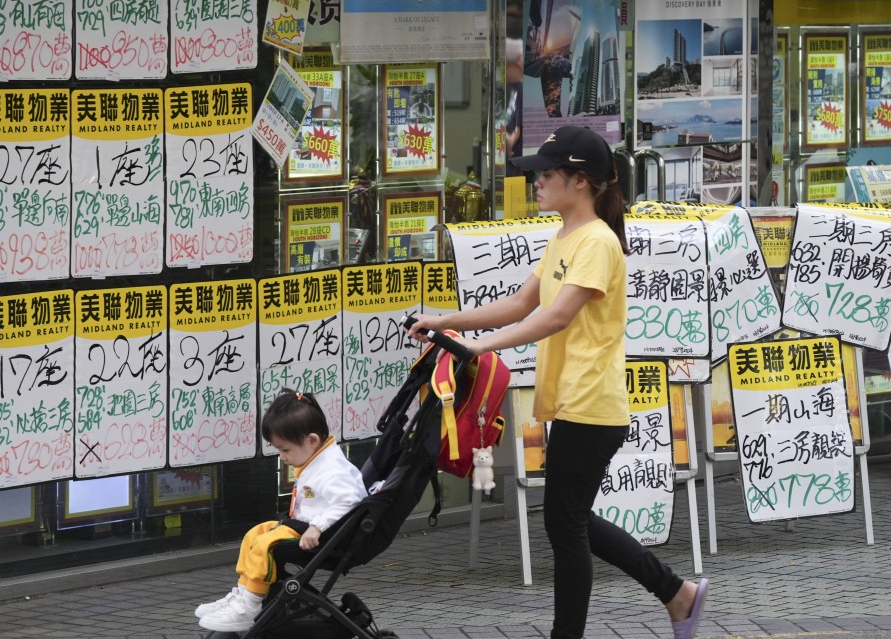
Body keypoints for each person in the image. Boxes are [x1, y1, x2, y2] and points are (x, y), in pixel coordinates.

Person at [407, 125, 710, 639]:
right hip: (571, 400)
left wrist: (482, 345)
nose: (538, 182)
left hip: (591, 402)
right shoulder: (565, 238)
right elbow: (521, 304)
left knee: (565, 526)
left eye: (547, 174)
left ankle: (609, 619)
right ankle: (677, 594)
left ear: (581, 181)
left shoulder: (596, 241)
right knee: (568, 521)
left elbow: (557, 317)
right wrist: (448, 321)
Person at [196, 389, 368, 633]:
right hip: (306, 527)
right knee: (256, 534)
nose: (282, 457)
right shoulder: (317, 460)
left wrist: (317, 526)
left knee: (266, 545)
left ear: (312, 441)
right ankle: (243, 593)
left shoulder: (332, 470)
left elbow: (350, 501)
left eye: (285, 450)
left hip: (325, 536)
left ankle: (249, 604)